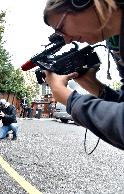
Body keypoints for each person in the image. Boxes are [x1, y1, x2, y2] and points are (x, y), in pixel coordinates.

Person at [42, 0, 124, 150]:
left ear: (81, 2)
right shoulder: (115, 41)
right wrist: (94, 86)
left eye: (61, 28)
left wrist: (68, 98)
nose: (66, 40)